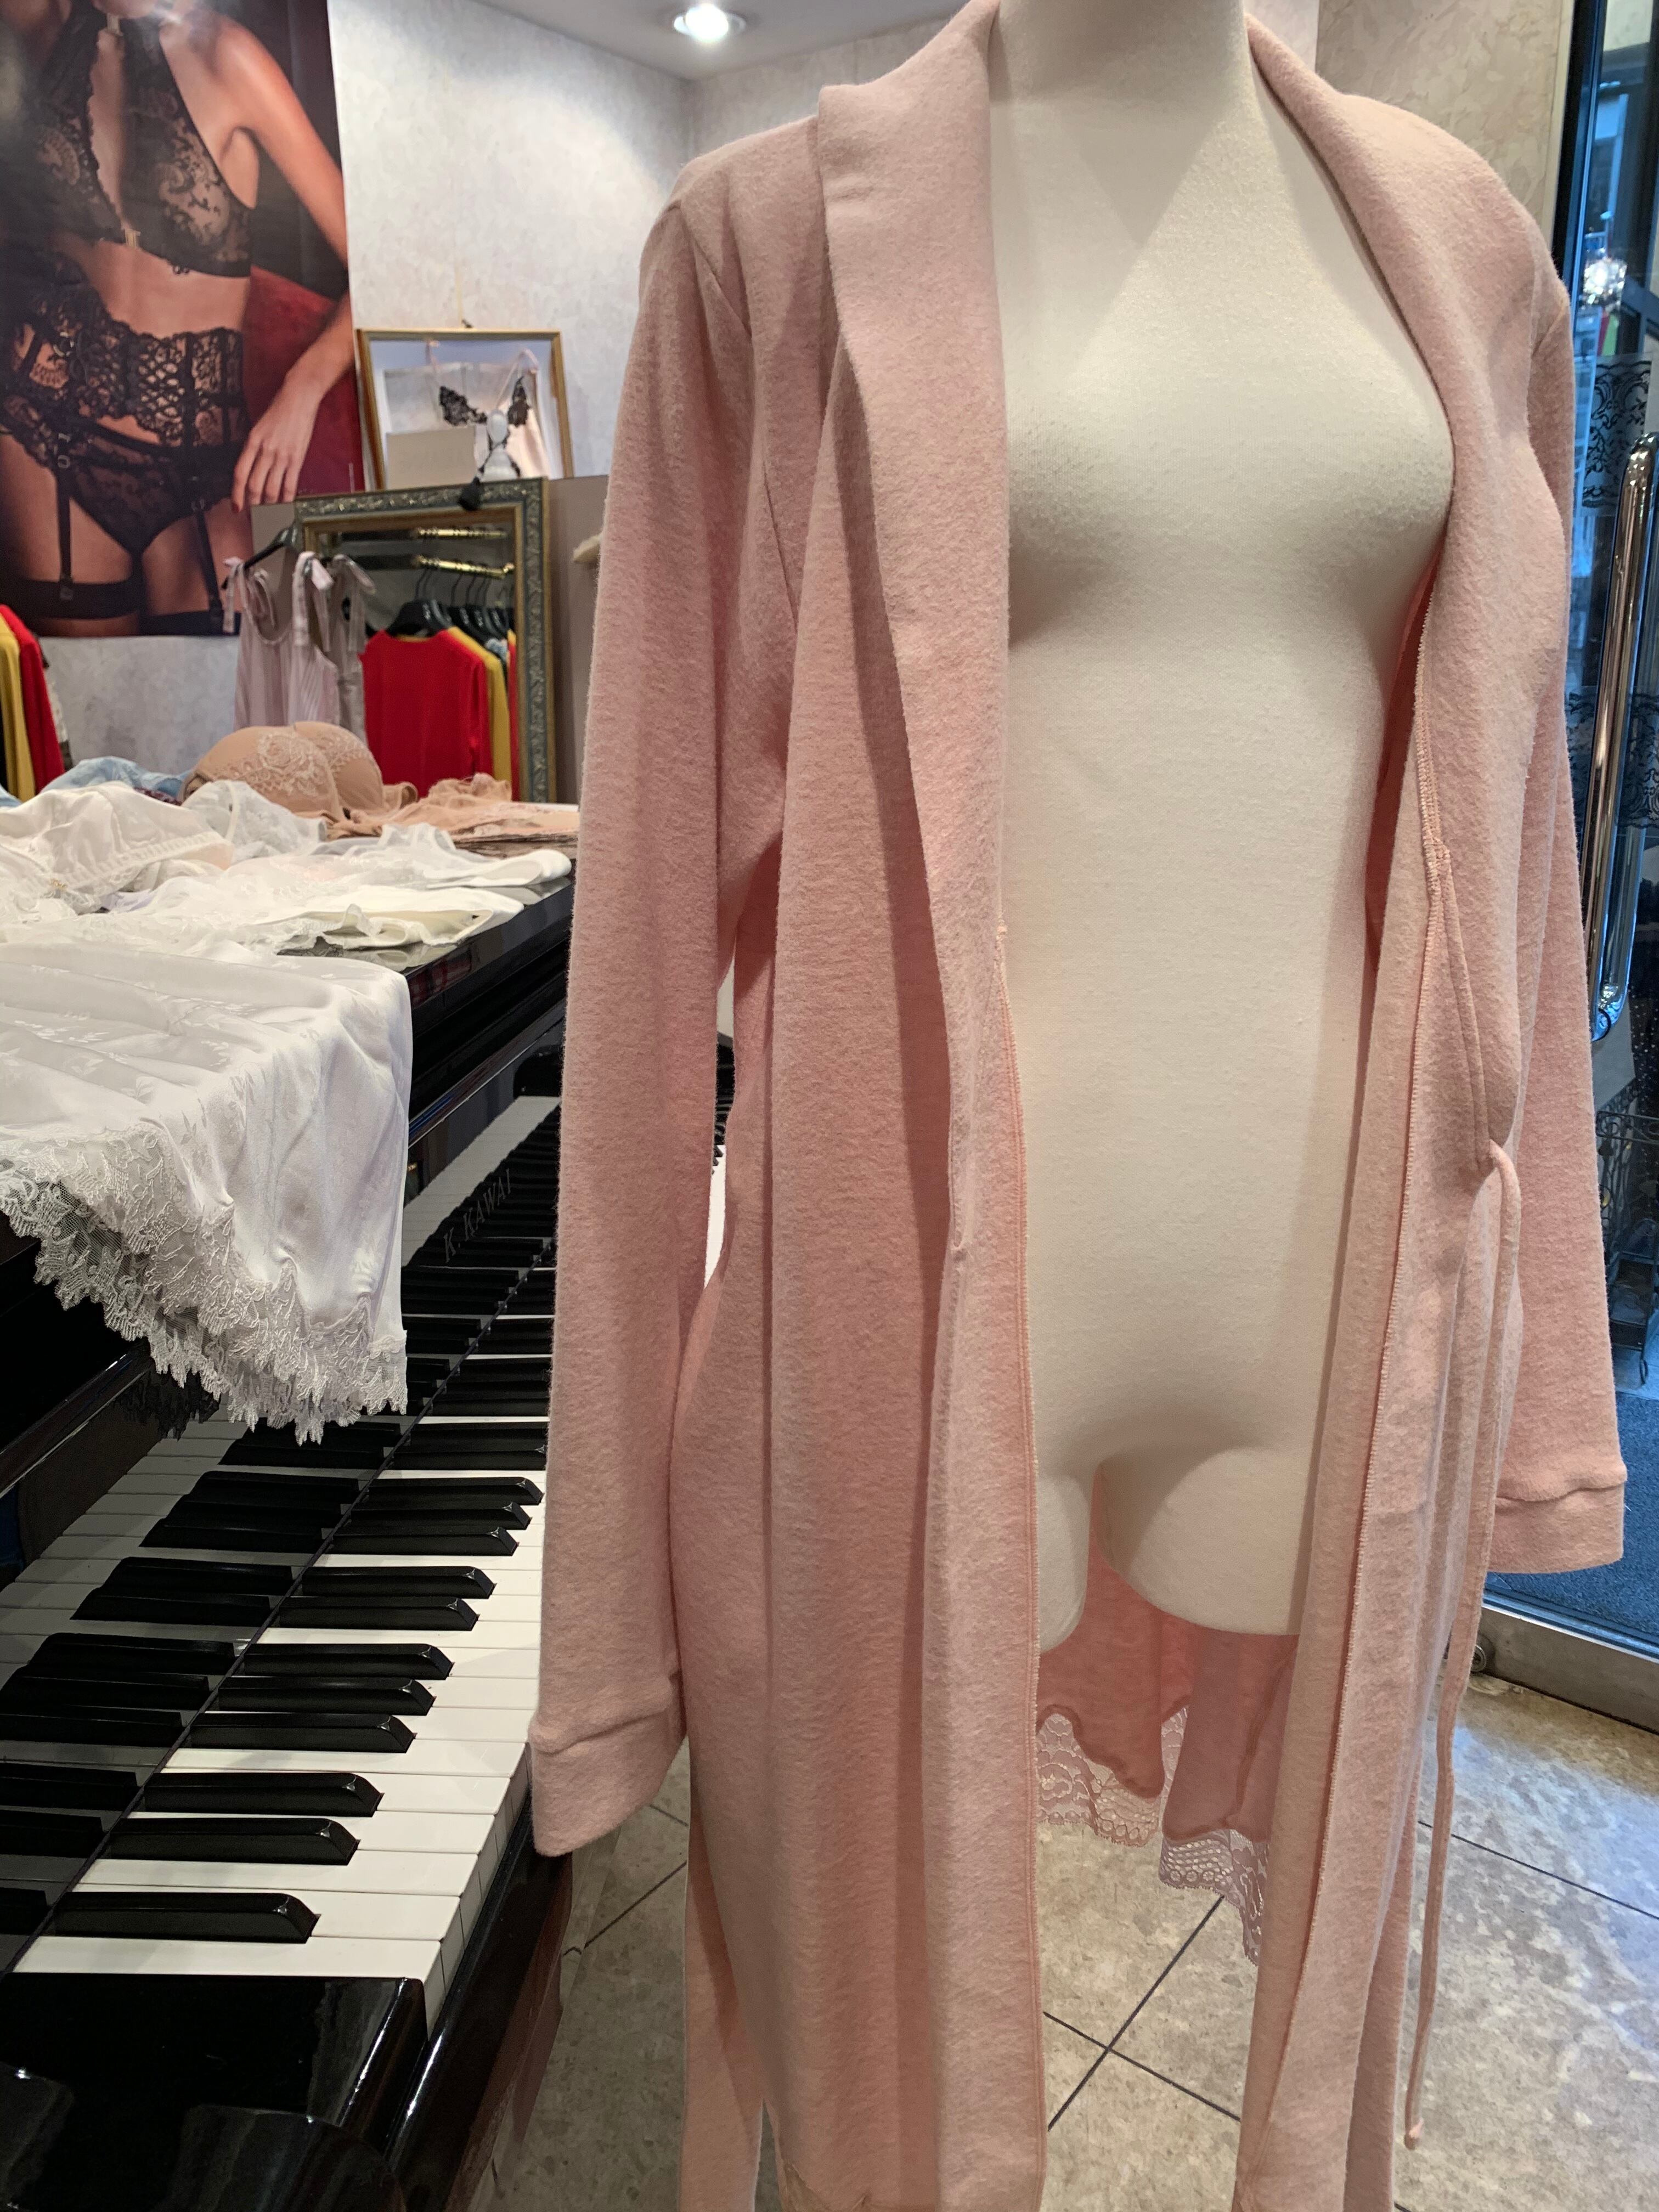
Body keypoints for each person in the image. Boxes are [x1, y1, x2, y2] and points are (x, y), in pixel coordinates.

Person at [0, 0, 353, 635]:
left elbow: (380, 268)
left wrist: (302, 391)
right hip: (45, 425)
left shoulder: (228, 57)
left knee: (227, 685)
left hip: (206, 459)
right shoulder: (41, 21)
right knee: (86, 695)